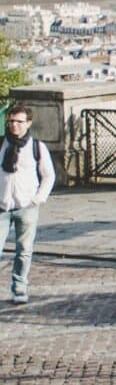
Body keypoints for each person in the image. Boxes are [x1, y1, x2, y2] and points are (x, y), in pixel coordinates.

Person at [2, 106, 55, 304]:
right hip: (2, 207)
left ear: (28, 123)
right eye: (11, 121)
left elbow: (48, 176)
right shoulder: (2, 144)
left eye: (19, 121)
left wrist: (37, 199)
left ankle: (19, 288)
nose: (14, 125)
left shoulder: (36, 147)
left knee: (23, 250)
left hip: (27, 206)